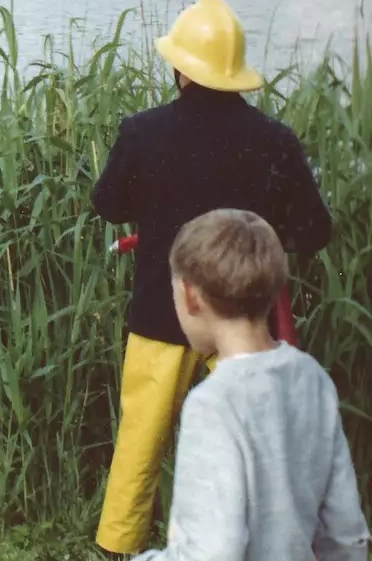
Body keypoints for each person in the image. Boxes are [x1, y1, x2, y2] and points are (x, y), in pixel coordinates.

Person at [92, 0, 334, 556]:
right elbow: (315, 231)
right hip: (244, 319)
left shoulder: (142, 132)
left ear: (180, 69)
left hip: (161, 310)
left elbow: (107, 203)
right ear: (234, 72)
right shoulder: (276, 142)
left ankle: (116, 548)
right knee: (255, 444)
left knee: (139, 444)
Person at [133, 209, 368, 560]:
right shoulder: (312, 379)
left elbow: (211, 553)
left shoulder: (212, 404)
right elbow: (346, 535)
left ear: (191, 296)